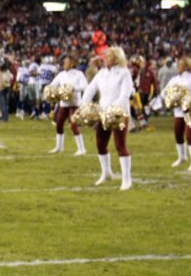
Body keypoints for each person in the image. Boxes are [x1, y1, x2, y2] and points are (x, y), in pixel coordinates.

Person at [81, 47, 135, 190]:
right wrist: (84, 105)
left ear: (116, 58)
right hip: (103, 113)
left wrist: (114, 109)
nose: (105, 58)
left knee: (120, 145)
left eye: (109, 56)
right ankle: (106, 173)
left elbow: (125, 95)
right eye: (105, 56)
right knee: (100, 144)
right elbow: (90, 89)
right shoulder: (102, 73)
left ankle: (126, 179)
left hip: (119, 113)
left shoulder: (124, 73)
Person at [161, 57, 191, 170]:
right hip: (178, 111)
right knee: (178, 134)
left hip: (190, 111)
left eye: (181, 64)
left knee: (189, 135)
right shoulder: (174, 79)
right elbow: (164, 92)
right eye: (178, 65)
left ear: (187, 66)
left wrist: (188, 99)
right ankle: (182, 157)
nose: (178, 66)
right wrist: (172, 98)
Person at [47, 55, 88, 155]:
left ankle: (81, 149)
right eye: (64, 62)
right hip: (64, 103)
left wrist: (73, 88)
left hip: (75, 103)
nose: (64, 64)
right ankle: (59, 147)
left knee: (74, 125)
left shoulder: (78, 74)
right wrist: (50, 91)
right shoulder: (61, 74)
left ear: (72, 63)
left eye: (66, 62)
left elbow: (85, 86)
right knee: (59, 124)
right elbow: (53, 84)